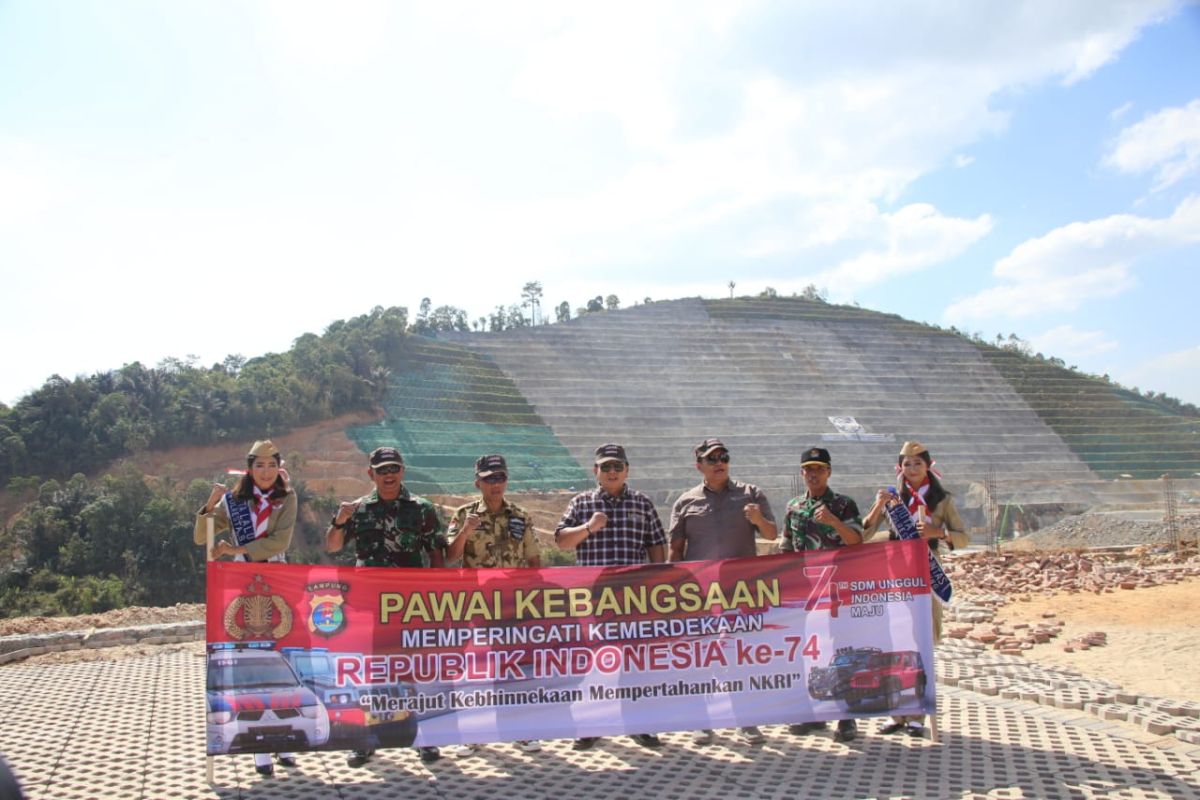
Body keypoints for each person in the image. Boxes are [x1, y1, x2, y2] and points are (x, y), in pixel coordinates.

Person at [326, 445, 448, 768]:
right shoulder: (358, 510)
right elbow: (333, 545)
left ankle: (424, 739)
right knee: (370, 674)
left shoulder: (423, 509)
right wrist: (339, 521)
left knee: (415, 674)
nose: (389, 475)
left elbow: (436, 554)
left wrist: (436, 598)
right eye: (382, 470)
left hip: (410, 606)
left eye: (394, 468)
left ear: (402, 471)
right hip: (368, 606)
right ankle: (366, 741)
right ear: (371, 474)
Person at [194, 439, 298, 776]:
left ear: (278, 468)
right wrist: (209, 505)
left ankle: (284, 740)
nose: (265, 472)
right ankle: (259, 748)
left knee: (282, 660)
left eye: (271, 465)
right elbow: (202, 537)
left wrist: (236, 547)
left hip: (278, 582)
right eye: (259, 466)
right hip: (242, 588)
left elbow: (280, 541)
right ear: (250, 469)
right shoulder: (232, 502)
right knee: (251, 662)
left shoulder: (287, 498)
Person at [555, 443, 668, 751]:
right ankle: (590, 726)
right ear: (596, 471)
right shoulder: (581, 503)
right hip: (592, 596)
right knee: (593, 663)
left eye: (618, 466)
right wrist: (589, 528)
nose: (612, 471)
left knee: (635, 663)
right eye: (606, 467)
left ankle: (639, 724)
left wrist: (655, 583)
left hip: (633, 596)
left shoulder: (642, 503)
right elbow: (562, 541)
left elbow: (657, 544)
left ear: (627, 470)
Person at [669, 438, 777, 746]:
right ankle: (701, 721)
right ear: (699, 465)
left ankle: (746, 720)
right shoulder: (685, 501)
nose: (719, 462)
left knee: (740, 657)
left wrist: (757, 519)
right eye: (712, 458)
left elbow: (772, 533)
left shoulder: (750, 494)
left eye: (724, 456)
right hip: (698, 595)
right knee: (701, 657)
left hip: (741, 594)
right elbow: (676, 550)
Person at [861, 440, 968, 738]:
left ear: (928, 467)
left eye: (917, 464)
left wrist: (939, 533)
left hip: (924, 576)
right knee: (894, 645)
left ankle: (918, 712)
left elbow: (963, 537)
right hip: (895, 575)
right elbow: (865, 530)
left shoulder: (942, 500)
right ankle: (897, 712)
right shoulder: (893, 499)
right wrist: (879, 505)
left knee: (920, 645)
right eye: (906, 464)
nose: (911, 469)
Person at [445, 454, 542, 757]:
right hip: (476, 605)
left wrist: (534, 598)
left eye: (500, 477)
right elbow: (449, 556)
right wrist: (465, 532)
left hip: (513, 605)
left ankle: (520, 731)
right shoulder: (464, 514)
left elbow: (533, 559)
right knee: (474, 671)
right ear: (478, 482)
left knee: (515, 670)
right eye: (489, 478)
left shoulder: (521, 515)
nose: (495, 483)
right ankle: (473, 734)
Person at [779, 446, 865, 744]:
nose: (813, 474)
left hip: (837, 591)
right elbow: (786, 549)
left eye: (819, 469)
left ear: (828, 471)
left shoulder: (843, 504)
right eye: (808, 469)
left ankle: (845, 717)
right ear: (802, 473)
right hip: (804, 593)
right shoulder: (793, 506)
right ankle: (811, 712)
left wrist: (834, 522)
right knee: (809, 652)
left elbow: (857, 542)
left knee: (841, 651)